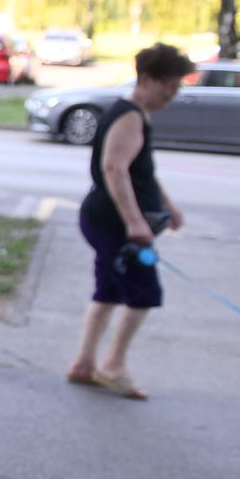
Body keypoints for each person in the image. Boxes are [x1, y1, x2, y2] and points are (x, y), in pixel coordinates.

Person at [67, 42, 196, 398]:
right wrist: (135, 223)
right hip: (114, 224)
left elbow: (141, 172)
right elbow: (114, 168)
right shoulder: (129, 116)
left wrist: (167, 205)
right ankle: (112, 366)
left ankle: (83, 363)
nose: (174, 92)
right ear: (147, 79)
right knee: (143, 293)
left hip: (109, 221)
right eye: (169, 84)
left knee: (108, 291)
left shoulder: (137, 113)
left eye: (177, 85)